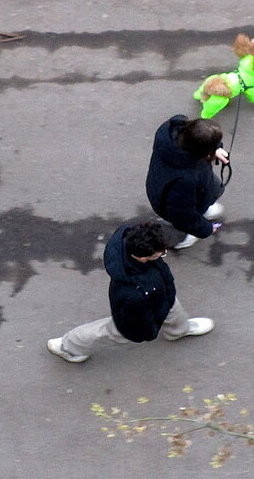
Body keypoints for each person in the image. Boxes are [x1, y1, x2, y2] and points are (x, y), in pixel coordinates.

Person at [47, 222, 214, 363]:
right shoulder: (134, 292)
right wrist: (149, 332)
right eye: (160, 253)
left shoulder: (131, 237)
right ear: (143, 257)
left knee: (172, 307)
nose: (163, 254)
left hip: (159, 293)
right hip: (139, 311)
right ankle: (69, 346)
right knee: (112, 332)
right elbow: (139, 321)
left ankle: (179, 330)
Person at [145, 115, 228, 250]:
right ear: (205, 151)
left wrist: (216, 148)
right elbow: (183, 216)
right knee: (186, 221)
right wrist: (205, 229)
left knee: (204, 197)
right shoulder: (185, 180)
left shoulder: (170, 130)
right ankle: (185, 237)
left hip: (161, 184)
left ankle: (203, 210)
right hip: (171, 202)